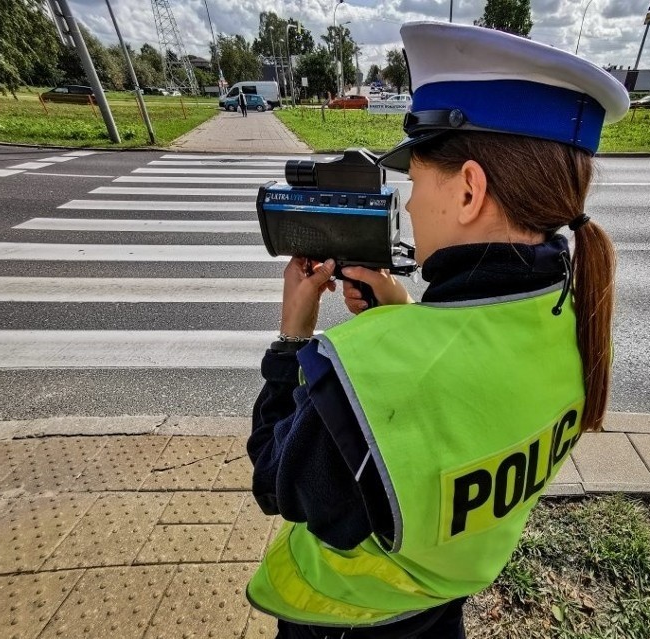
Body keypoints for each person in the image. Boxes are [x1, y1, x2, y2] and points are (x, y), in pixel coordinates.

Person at [246, 20, 629, 639]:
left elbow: (274, 480)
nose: (412, 206)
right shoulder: (573, 318)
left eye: (417, 183)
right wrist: (407, 320)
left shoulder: (364, 370)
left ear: (470, 190)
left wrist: (292, 340)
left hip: (345, 623)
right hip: (443, 612)